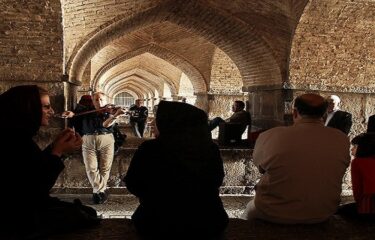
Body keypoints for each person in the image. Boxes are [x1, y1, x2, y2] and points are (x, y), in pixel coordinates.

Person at [0, 85, 100, 239]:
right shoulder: (12, 140)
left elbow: (33, 166)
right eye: (46, 107)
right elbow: (34, 188)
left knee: (86, 213)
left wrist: (55, 145)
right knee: (82, 216)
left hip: (23, 206)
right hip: (15, 214)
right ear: (28, 108)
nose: (52, 111)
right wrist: (57, 152)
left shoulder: (17, 135)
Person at [124, 101, 228, 239]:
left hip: (156, 222)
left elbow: (134, 183)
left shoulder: (151, 149)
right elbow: (216, 180)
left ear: (171, 122)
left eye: (159, 119)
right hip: (208, 221)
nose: (154, 123)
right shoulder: (210, 148)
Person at [241, 93, 350, 224]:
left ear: (295, 112)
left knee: (248, 211)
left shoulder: (270, 135)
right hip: (322, 212)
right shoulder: (341, 139)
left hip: (272, 210)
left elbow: (260, 167)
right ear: (325, 114)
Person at [68, 92, 125, 204]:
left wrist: (115, 116)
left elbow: (106, 125)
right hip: (88, 139)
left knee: (105, 168)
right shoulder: (84, 110)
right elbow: (74, 115)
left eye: (101, 99)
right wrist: (70, 113)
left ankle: (97, 193)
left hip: (106, 139)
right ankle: (100, 191)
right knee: (91, 168)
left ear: (106, 100)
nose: (99, 102)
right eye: (96, 100)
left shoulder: (110, 110)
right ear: (92, 101)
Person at [336, 133, 375, 219]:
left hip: (369, 205)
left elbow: (357, 191)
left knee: (340, 210)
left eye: (355, 146)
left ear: (363, 148)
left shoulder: (357, 162)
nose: (351, 149)